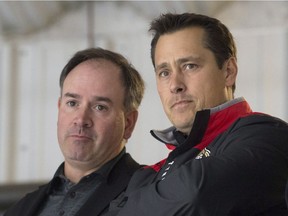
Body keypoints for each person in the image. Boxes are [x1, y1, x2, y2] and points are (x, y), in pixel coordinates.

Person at [106, 13, 288, 216]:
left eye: (189, 66)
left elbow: (195, 194)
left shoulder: (267, 135)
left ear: (228, 71)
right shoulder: (149, 173)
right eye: (164, 72)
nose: (175, 85)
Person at [4, 47, 145, 216]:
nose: (81, 119)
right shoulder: (20, 210)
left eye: (100, 107)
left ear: (128, 123)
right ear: (59, 108)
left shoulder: (153, 195)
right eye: (72, 103)